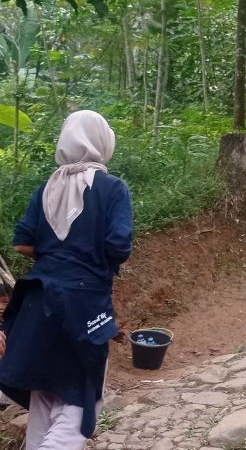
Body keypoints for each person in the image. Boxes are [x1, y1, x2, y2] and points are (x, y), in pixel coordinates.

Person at [0, 110, 133, 449]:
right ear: (103, 141)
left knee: (44, 395)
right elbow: (118, 246)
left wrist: (57, 257)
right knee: (80, 399)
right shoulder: (112, 188)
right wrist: (85, 259)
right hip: (83, 307)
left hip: (37, 303)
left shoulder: (47, 189)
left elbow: (22, 243)